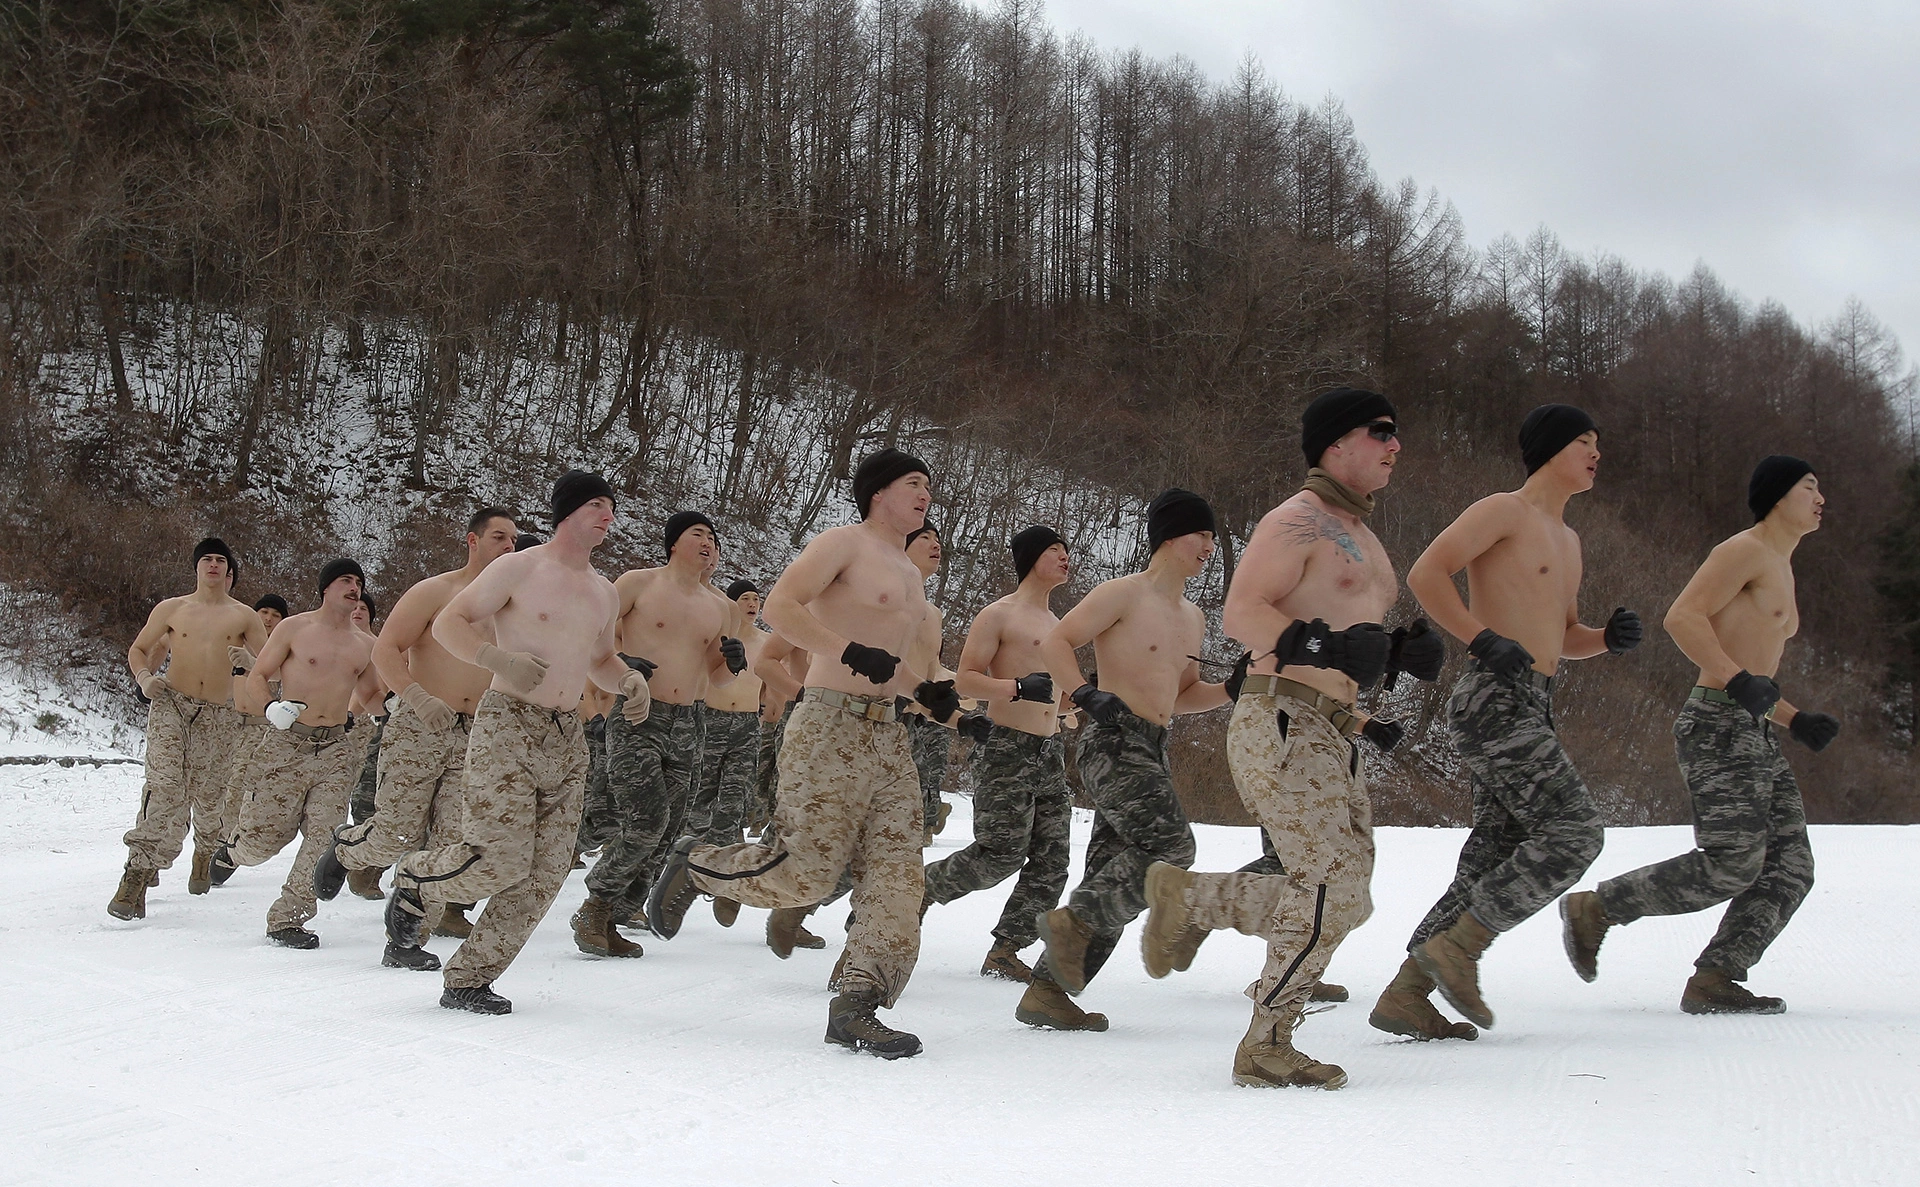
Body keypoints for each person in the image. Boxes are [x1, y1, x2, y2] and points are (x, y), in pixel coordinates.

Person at [1139, 389, 1447, 1088]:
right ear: (1336, 445)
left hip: (1331, 731)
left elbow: (1346, 636)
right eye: (1382, 433)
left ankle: (1194, 901)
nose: (1396, 445)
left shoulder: (1366, 539)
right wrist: (1332, 646)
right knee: (1327, 882)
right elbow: (1243, 613)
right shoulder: (1296, 520)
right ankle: (1266, 1041)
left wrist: (1398, 653)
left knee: (1350, 895)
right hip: (1280, 719)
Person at [648, 447, 954, 1059]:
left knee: (898, 880)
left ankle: (856, 1005)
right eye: (913, 483)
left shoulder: (911, 574)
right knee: (807, 871)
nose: (925, 493)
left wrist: (925, 692)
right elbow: (785, 605)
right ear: (878, 493)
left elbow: (888, 664)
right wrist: (845, 650)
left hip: (889, 735)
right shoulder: (843, 544)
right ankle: (701, 865)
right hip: (828, 725)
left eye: (928, 484)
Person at [1385, 404, 1644, 1033]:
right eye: (1585, 440)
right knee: (1577, 832)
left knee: (1496, 852)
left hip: (1533, 700)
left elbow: (1562, 636)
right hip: (1491, 696)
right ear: (1551, 449)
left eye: (1597, 442)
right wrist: (1477, 638)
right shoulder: (1504, 510)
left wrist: (1605, 638)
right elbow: (1427, 572)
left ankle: (1407, 993)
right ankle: (1459, 947)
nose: (1595, 452)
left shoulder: (1569, 539)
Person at [1561, 457, 1834, 1014]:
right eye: (1810, 486)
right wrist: (1738, 681)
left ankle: (1716, 977)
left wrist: (1794, 719)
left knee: (1789, 868)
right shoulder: (1744, 550)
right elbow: (1683, 617)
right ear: (1779, 496)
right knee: (1732, 862)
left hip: (1750, 727)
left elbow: (1753, 674)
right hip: (1716, 725)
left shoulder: (1781, 562)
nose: (1820, 496)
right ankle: (1597, 908)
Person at [383, 471, 650, 1014]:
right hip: (508, 723)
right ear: (568, 511)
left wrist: (627, 680)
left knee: (546, 873)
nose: (607, 515)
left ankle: (469, 979)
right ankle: (417, 878)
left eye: (611, 507)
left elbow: (598, 660)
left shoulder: (604, 591)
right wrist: (496, 659)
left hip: (565, 735)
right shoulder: (518, 567)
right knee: (498, 860)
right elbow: (450, 623)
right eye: (597, 504)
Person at [1023, 489, 1231, 1031]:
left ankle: (1047, 993)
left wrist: (1231, 687)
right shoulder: (1123, 593)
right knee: (1172, 847)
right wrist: (1083, 693)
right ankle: (1070, 924)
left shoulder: (1193, 616)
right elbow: (1057, 643)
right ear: (1168, 534)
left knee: (1113, 880)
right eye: (1201, 534)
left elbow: (1184, 696)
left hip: (1152, 747)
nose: (1210, 545)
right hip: (1113, 740)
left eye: (1212, 536)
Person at [313, 508, 519, 969]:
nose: (508, 547)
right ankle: (348, 848)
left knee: (446, 847)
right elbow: (385, 648)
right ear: (472, 541)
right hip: (421, 723)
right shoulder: (435, 592)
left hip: (475, 735)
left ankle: (406, 940)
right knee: (397, 832)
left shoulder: (514, 606)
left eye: (513, 540)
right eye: (499, 538)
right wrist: (414, 696)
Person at [572, 511, 744, 957]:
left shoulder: (721, 607)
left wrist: (733, 660)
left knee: (668, 831)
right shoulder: (637, 583)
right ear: (673, 544)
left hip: (690, 722)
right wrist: (624, 662)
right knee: (647, 819)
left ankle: (617, 912)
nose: (707, 542)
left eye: (712, 536)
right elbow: (593, 639)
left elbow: (718, 677)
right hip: (637, 715)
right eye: (697, 534)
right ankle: (594, 903)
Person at [925, 525, 1075, 983]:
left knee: (1053, 860)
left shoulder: (1058, 627)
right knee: (1000, 854)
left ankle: (1007, 949)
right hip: (1007, 749)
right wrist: (1015, 687)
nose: (1065, 557)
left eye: (1066, 550)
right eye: (1055, 550)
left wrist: (1080, 699)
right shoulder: (999, 615)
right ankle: (917, 891)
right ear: (1032, 558)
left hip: (1049, 752)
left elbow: (1061, 697)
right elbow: (967, 679)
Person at [208, 560, 384, 948]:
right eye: (345, 580)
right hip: (288, 744)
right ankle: (236, 851)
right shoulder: (294, 629)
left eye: (358, 582)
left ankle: (288, 918)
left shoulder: (365, 645)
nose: (354, 588)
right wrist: (271, 707)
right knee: (265, 838)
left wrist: (395, 714)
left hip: (336, 748)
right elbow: (257, 675)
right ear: (325, 588)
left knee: (324, 836)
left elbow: (371, 694)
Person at [111, 539, 266, 918]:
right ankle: (136, 876)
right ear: (196, 567)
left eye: (220, 560)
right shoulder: (172, 609)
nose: (213, 565)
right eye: (206, 559)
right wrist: (145, 677)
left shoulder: (245, 616)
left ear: (228, 571)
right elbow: (138, 648)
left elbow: (272, 665)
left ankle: (203, 848)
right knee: (165, 787)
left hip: (219, 715)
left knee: (206, 795)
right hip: (172, 706)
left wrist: (251, 659)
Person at [688, 579, 769, 927]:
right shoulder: (719, 636)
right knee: (699, 805)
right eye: (745, 599)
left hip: (748, 726)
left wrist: (766, 711)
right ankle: (678, 869)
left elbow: (768, 682)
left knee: (734, 804)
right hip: (711, 721)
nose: (752, 604)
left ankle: (725, 886)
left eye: (756, 599)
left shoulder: (766, 642)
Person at [901, 523, 956, 843]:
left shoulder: (934, 615)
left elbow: (933, 671)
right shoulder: (878, 595)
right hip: (869, 717)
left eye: (938, 538)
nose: (936, 545)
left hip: (914, 722)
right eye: (925, 537)